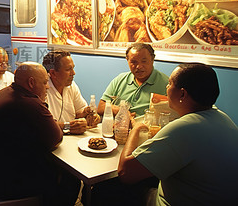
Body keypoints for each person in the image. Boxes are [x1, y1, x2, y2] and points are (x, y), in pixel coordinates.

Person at [118, 63, 238, 205]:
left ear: (182, 94)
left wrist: (136, 129)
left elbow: (125, 173)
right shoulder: (223, 118)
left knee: (110, 188)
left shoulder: (185, 128)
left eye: (170, 84)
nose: (166, 88)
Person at [0, 62, 80, 206]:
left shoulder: (6, 92)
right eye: (44, 83)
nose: (48, 87)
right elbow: (55, 138)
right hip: (4, 183)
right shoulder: (29, 102)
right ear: (31, 83)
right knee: (70, 178)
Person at [98, 43, 169, 116]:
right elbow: (101, 107)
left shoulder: (166, 84)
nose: (139, 66)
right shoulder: (120, 80)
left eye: (144, 61)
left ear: (152, 59)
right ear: (127, 60)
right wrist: (119, 110)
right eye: (134, 62)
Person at [42, 50, 100, 134]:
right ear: (53, 73)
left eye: (73, 68)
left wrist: (88, 115)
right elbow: (43, 125)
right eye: (68, 69)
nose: (73, 73)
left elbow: (79, 111)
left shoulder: (71, 85)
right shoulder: (42, 89)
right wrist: (67, 126)